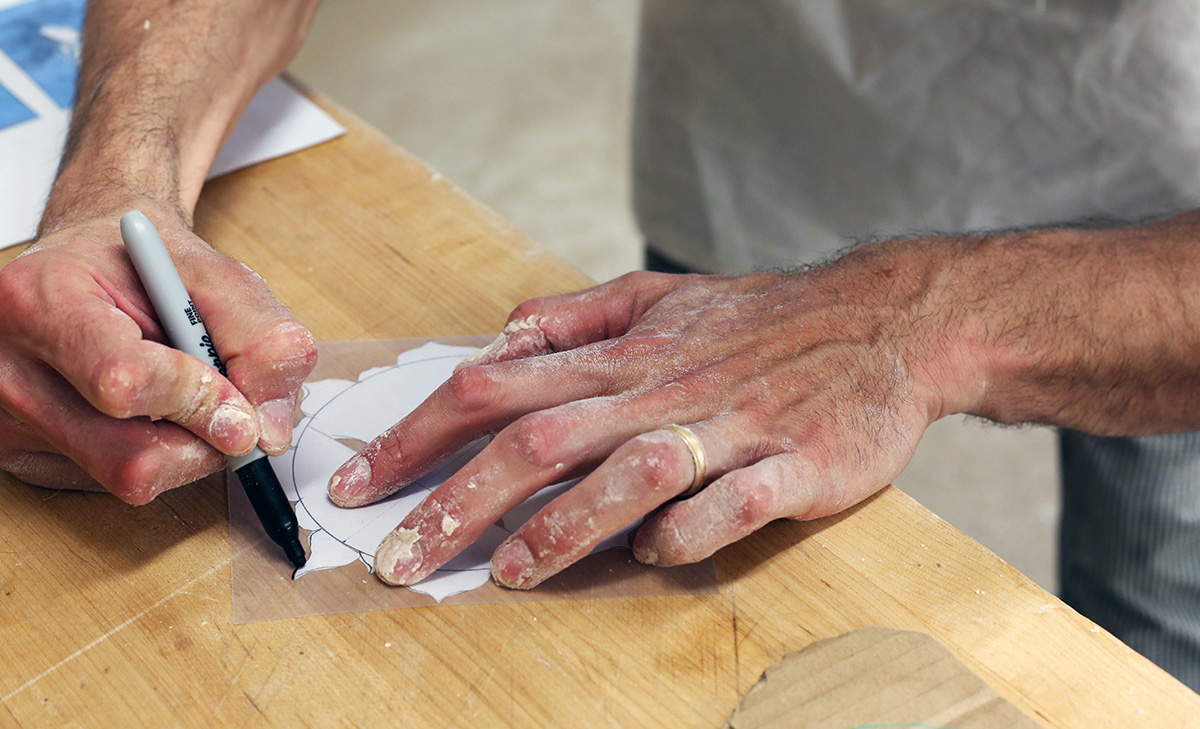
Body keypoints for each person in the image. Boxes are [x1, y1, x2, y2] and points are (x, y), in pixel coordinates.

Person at [2, 0, 1197, 691]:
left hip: (1153, 199)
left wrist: (926, 320)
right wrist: (118, 181)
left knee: (1143, 631)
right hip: (755, 121)